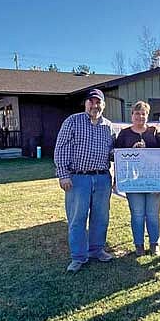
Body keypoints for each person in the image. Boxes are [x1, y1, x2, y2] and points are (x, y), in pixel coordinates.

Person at [54, 89, 115, 273]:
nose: (94, 105)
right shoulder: (72, 121)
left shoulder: (109, 127)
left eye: (98, 102)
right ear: (86, 103)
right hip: (77, 178)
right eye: (91, 101)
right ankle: (78, 257)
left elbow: (112, 153)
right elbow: (61, 148)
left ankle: (97, 250)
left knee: (101, 217)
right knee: (77, 219)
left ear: (103, 105)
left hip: (102, 177)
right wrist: (63, 174)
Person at [115, 101, 160, 256]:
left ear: (147, 116)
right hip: (132, 181)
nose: (140, 116)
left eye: (143, 113)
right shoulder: (124, 134)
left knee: (153, 214)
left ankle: (154, 243)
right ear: (132, 115)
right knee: (137, 214)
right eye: (137, 113)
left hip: (154, 181)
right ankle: (139, 244)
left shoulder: (155, 132)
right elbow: (115, 156)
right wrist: (131, 152)